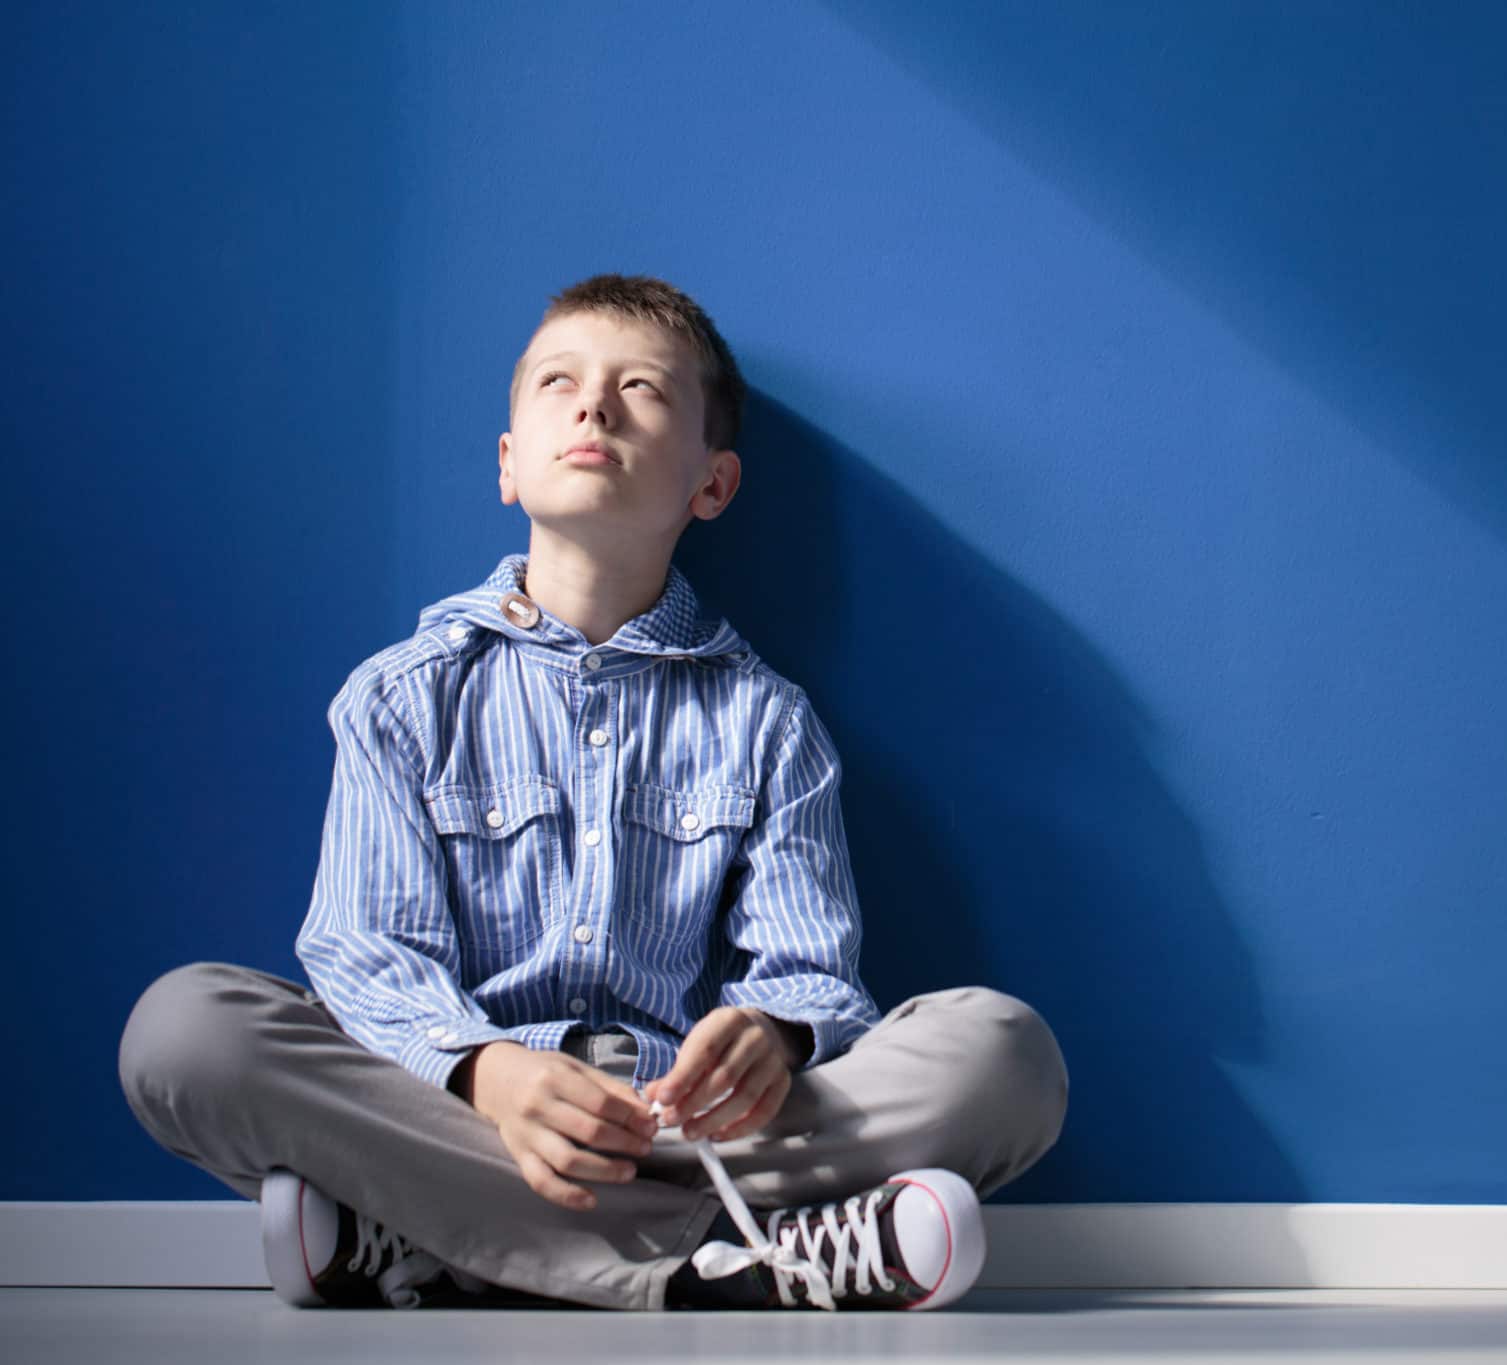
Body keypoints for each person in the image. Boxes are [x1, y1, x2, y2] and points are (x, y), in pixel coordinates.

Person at [117, 272, 1069, 1313]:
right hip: (464, 1107)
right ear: (507, 465)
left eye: (643, 391)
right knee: (184, 1034)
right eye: (558, 383)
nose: (594, 406)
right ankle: (736, 1263)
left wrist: (771, 1037)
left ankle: (433, 1240)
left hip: (691, 1133)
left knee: (1002, 1056)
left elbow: (810, 973)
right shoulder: (397, 698)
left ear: (711, 484)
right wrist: (488, 1073)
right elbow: (365, 954)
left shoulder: (767, 723)